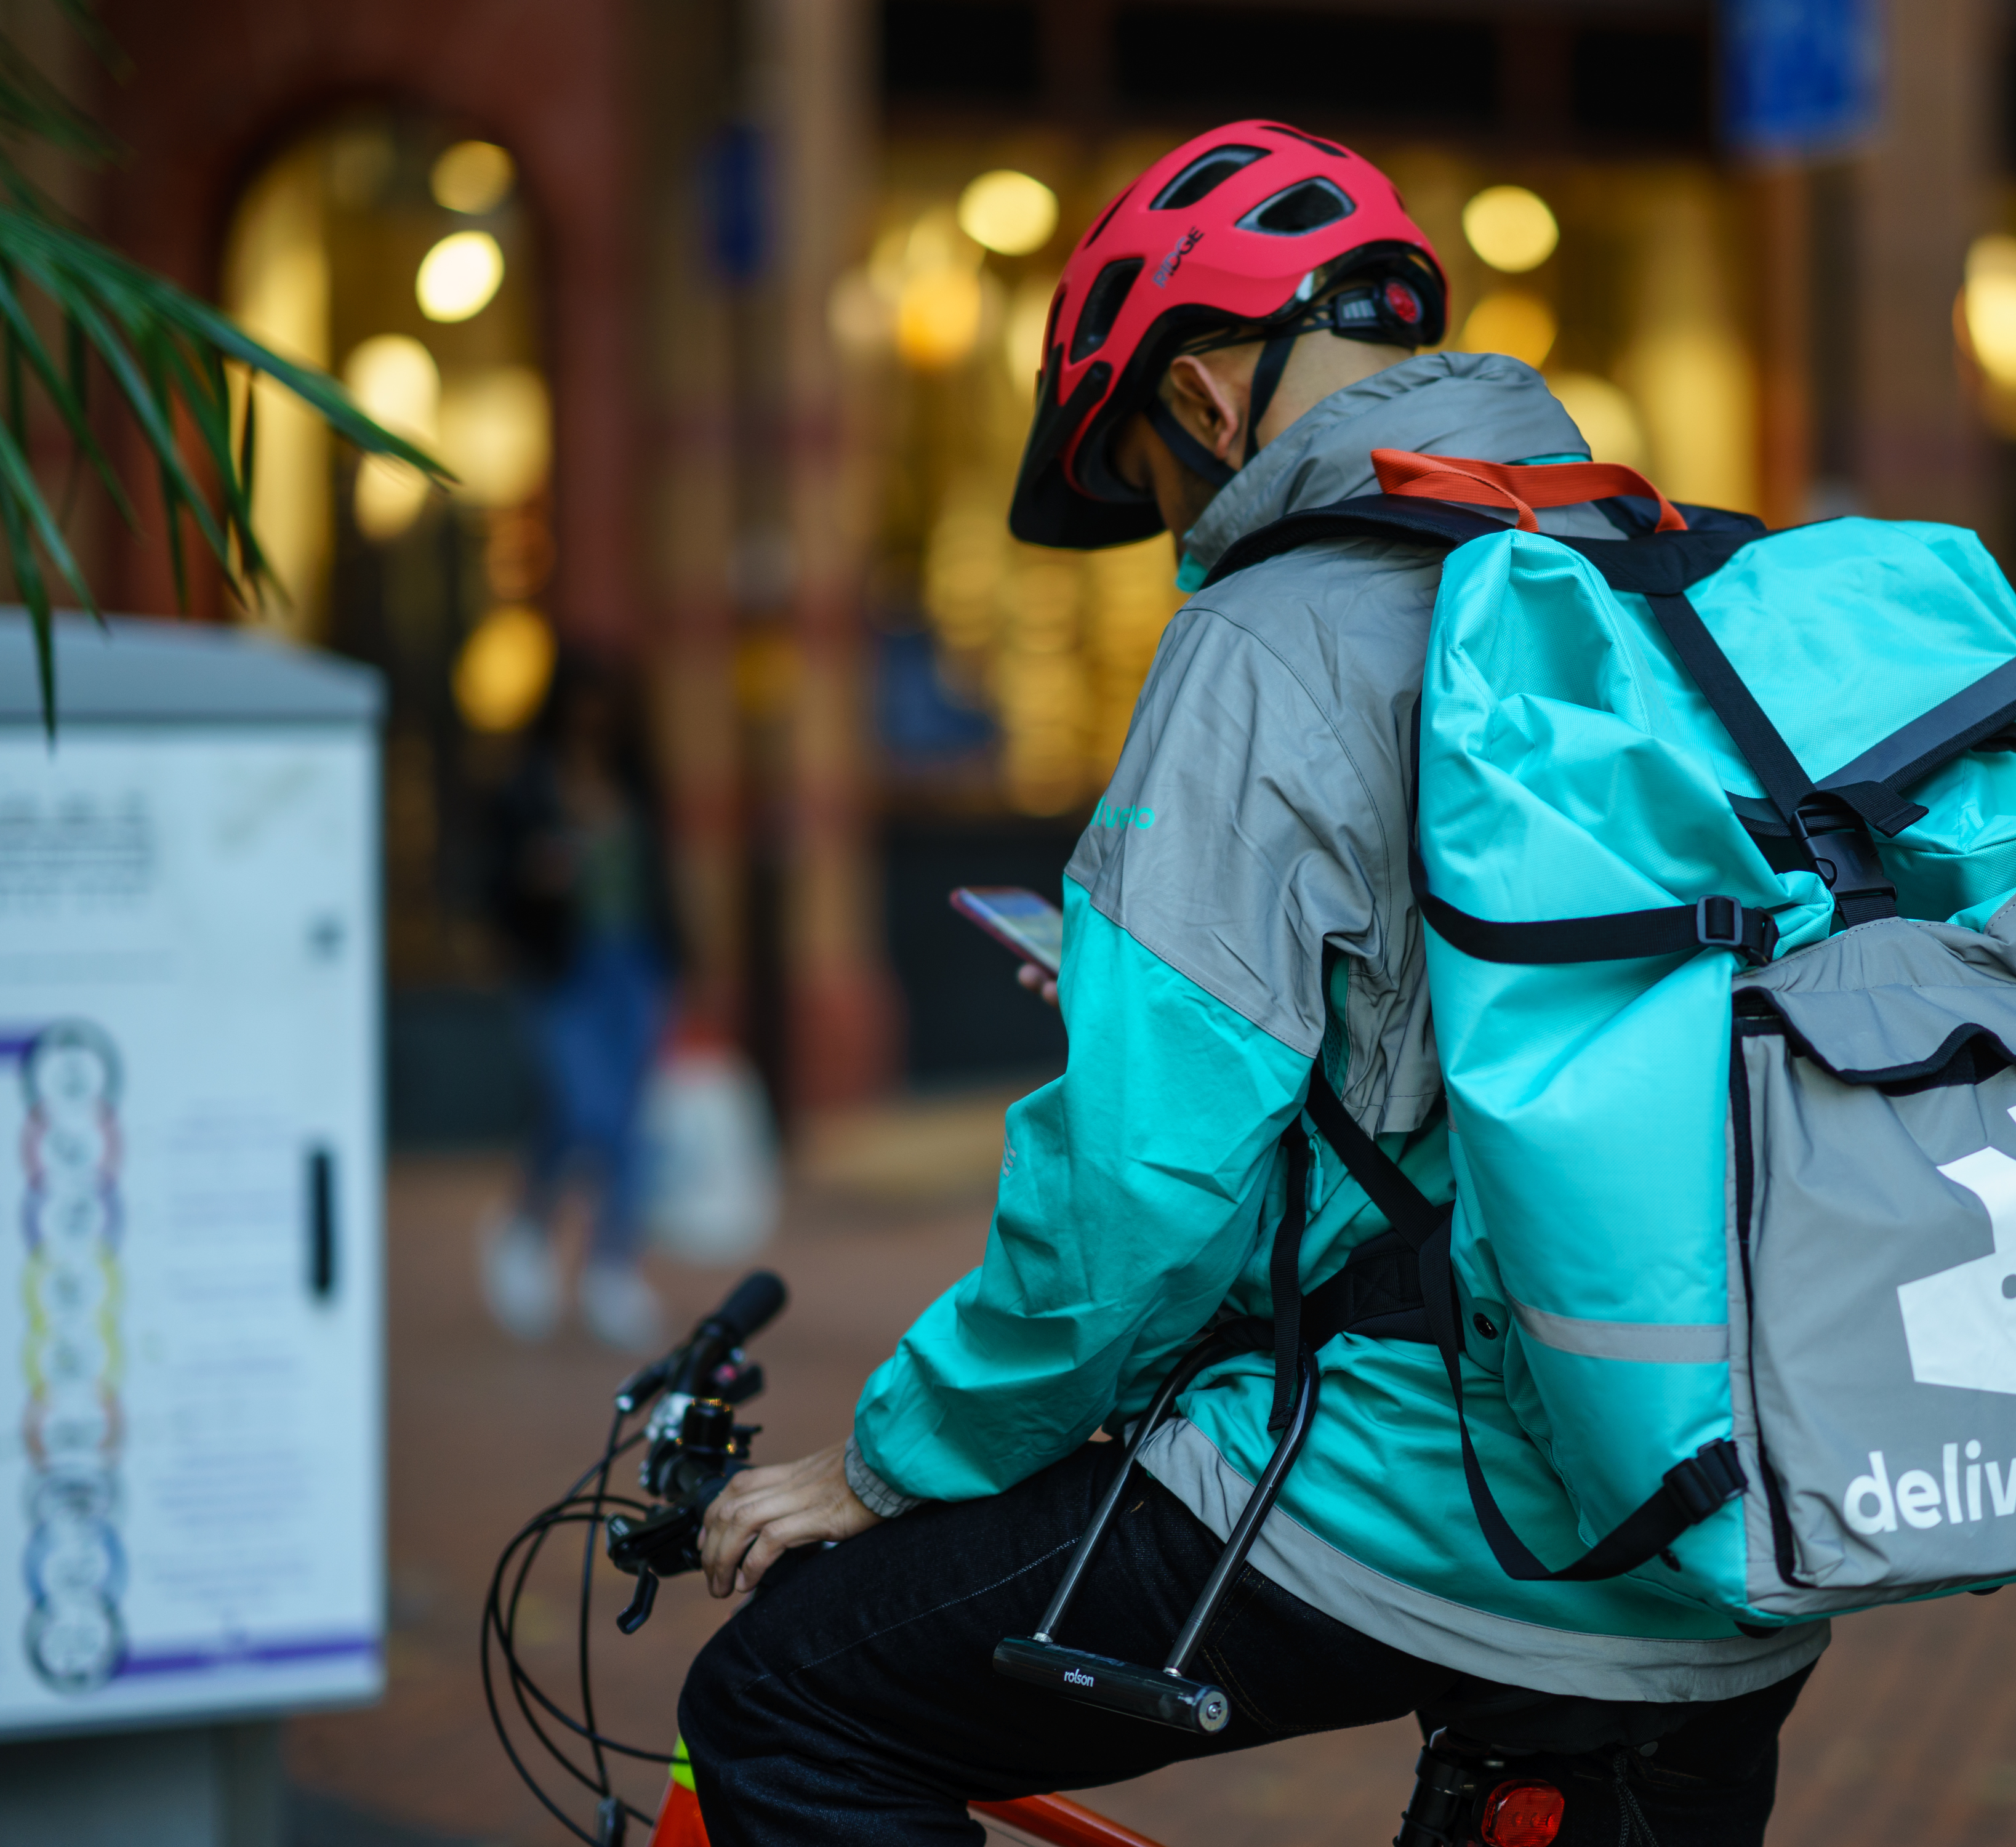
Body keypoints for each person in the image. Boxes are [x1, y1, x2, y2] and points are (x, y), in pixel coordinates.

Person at [680, 123, 1821, 1846]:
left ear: (1204, 399)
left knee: (785, 1700)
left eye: (1148, 482)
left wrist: (889, 1458)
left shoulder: (1267, 633)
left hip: (1445, 1482)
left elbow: (1136, 1196)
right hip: (1740, 1482)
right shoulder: (1659, 581)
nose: (1174, 542)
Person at [478, 653, 683, 1353]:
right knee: (583, 1109)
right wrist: (534, 880)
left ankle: (612, 1266)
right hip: (561, 968)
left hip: (635, 962)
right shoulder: (527, 784)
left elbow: (661, 877)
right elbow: (492, 882)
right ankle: (527, 1225)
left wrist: (679, 957)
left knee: (628, 1119)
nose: (595, 718)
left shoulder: (634, 778)